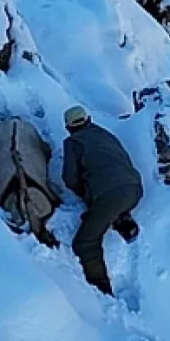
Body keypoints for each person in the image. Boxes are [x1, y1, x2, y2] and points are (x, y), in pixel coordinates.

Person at [61, 105, 143, 295]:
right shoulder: (106, 134)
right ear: (88, 119)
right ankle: (123, 220)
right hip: (135, 188)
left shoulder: (73, 143)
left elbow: (69, 179)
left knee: (84, 242)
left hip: (109, 196)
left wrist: (87, 194)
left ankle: (102, 289)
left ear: (69, 127)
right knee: (109, 206)